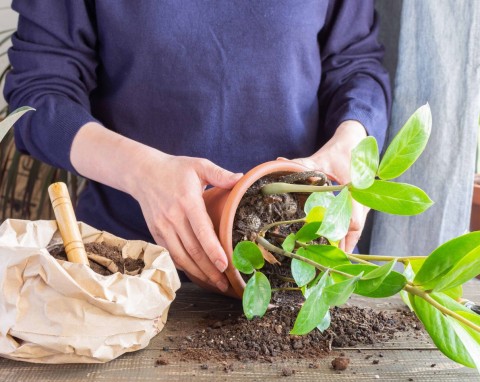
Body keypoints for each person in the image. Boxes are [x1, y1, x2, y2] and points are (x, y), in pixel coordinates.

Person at [4, 1, 391, 293]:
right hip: (123, 270)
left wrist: (352, 141)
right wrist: (140, 172)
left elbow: (355, 65)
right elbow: (38, 94)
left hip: (296, 268)